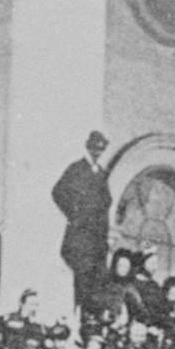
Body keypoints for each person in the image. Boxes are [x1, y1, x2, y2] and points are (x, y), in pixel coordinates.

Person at [52, 131, 113, 319]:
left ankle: (92, 321)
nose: (97, 153)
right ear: (88, 147)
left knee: (97, 283)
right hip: (80, 238)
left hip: (97, 239)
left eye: (101, 150)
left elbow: (106, 203)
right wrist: (75, 214)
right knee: (82, 280)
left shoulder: (102, 174)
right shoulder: (76, 169)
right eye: (95, 148)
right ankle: (79, 317)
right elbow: (58, 192)